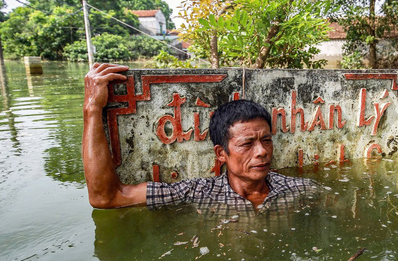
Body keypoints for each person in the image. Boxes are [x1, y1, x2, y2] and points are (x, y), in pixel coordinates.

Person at [82, 63, 319, 211]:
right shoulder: (198, 193)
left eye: (266, 140)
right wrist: (92, 109)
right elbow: (107, 198)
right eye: (247, 143)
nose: (262, 152)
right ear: (221, 153)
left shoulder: (298, 188)